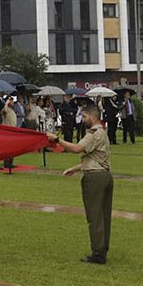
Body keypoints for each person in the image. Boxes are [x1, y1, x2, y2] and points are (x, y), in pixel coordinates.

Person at [47, 104, 112, 264]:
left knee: (94, 216)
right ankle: (102, 249)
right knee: (104, 215)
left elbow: (77, 148)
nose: (82, 120)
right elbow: (95, 158)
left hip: (95, 179)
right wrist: (76, 169)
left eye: (84, 117)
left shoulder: (93, 134)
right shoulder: (102, 132)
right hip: (105, 175)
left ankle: (97, 254)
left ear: (93, 116)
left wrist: (57, 139)